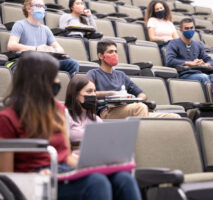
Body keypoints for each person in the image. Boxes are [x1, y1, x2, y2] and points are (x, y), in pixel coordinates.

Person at [0, 51, 142, 200]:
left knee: (123, 179)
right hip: (34, 180)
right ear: (38, 80)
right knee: (96, 183)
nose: (57, 81)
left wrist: (96, 163)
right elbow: (7, 175)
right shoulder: (7, 118)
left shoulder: (58, 110)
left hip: (62, 170)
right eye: (53, 76)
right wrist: (32, 174)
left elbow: (66, 156)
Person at [87, 39, 180, 119]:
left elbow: (142, 94)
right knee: (140, 108)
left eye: (116, 51)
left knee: (174, 117)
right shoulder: (93, 73)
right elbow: (87, 94)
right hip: (107, 111)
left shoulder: (121, 75)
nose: (114, 54)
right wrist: (112, 93)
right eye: (110, 52)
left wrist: (136, 100)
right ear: (100, 56)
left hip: (129, 108)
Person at [7, 0, 79, 77]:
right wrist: (36, 48)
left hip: (44, 61)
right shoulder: (19, 25)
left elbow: (61, 50)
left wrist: (51, 49)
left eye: (43, 7)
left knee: (72, 64)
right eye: (38, 6)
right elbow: (11, 45)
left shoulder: (46, 29)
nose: (42, 9)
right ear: (28, 9)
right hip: (27, 60)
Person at [165, 18, 213, 87]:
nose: (189, 30)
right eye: (187, 28)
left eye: (191, 28)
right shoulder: (173, 43)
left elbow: (209, 60)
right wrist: (189, 63)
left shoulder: (197, 44)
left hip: (198, 73)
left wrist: (205, 64)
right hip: (183, 75)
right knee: (203, 78)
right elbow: (169, 61)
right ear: (181, 30)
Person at [65, 74, 102, 142]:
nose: (93, 94)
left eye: (94, 91)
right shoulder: (65, 117)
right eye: (89, 91)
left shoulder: (96, 119)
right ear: (76, 95)